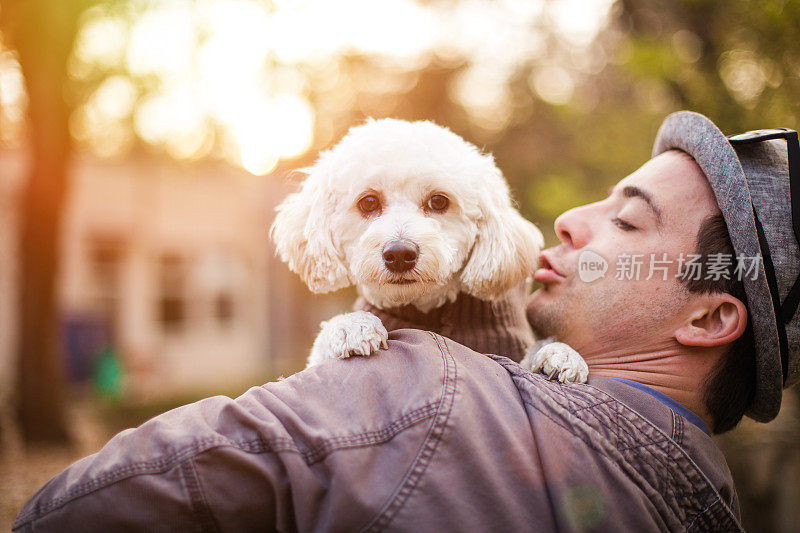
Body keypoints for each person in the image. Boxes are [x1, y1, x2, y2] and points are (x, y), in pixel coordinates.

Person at [13, 112, 799, 532]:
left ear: (711, 314)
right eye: (369, 207)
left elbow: (82, 507)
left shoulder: (407, 393)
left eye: (628, 222)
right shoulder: (711, 499)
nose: (564, 219)